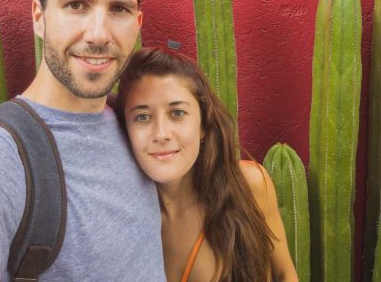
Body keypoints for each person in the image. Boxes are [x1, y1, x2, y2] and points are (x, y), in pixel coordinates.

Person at [0, 0, 166, 281]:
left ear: (137, 24)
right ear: (39, 17)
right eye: (76, 5)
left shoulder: (137, 124)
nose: (98, 34)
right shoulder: (5, 156)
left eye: (118, 9)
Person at [117, 47, 298, 282]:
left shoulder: (249, 185)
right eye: (142, 117)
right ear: (125, 130)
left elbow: (285, 274)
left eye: (177, 113)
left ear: (202, 125)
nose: (160, 134)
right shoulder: (120, 219)